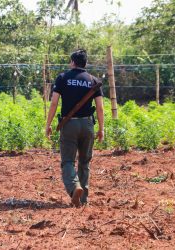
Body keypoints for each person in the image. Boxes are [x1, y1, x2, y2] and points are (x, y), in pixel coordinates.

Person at [45, 49, 104, 208]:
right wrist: (101, 129)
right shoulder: (93, 80)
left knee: (68, 161)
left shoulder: (63, 78)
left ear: (72, 62)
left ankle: (74, 187)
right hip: (87, 125)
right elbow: (100, 108)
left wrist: (48, 124)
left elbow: (54, 103)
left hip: (69, 124)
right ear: (85, 63)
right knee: (85, 162)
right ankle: (83, 200)